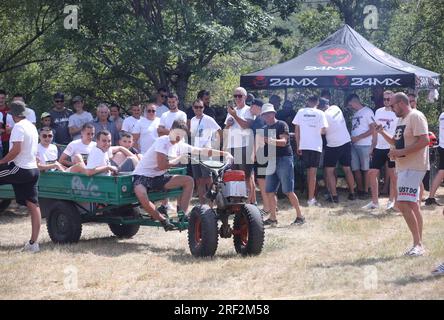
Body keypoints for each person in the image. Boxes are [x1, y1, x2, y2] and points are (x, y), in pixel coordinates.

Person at [133, 120, 232, 231]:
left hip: (158, 178)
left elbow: (202, 151)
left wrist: (224, 154)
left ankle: (182, 215)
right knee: (142, 196)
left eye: (181, 135)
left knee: (189, 180)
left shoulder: (180, 145)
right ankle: (162, 220)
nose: (179, 137)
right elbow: (161, 166)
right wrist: (178, 159)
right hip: (141, 177)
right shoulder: (162, 142)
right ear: (171, 130)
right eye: (177, 134)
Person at [375, 92, 429, 256]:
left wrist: (401, 152)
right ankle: (418, 244)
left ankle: (418, 244)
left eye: (392, 105)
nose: (390, 109)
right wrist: (382, 133)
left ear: (400, 103)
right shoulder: (401, 120)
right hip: (404, 167)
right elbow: (396, 142)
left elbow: (425, 140)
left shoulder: (416, 116)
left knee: (403, 204)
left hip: (414, 166)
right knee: (412, 205)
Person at [0, 101, 41, 252]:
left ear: (14, 115)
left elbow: (16, 149)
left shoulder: (18, 127)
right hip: (33, 170)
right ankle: (33, 244)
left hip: (20, 168)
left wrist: (2, 161)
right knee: (33, 205)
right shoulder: (31, 126)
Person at [258, 103, 304, 226]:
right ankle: (273, 218)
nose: (268, 116)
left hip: (284, 159)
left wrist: (267, 140)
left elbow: (283, 142)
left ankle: (300, 216)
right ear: (263, 116)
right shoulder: (264, 129)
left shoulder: (281, 124)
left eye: (270, 113)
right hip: (272, 160)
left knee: (288, 190)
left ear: (274, 113)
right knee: (269, 191)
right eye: (265, 114)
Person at [362, 90, 398, 210]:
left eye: (389, 99)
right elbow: (375, 130)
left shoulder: (397, 113)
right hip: (379, 147)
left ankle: (392, 201)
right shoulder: (378, 111)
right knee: (372, 173)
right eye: (384, 99)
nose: (387, 101)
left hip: (391, 147)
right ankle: (375, 202)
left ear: (393, 99)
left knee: (393, 175)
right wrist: (372, 146)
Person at [293, 95, 328, 207]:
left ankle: (310, 196)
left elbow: (296, 131)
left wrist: (298, 146)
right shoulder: (321, 113)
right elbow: (324, 131)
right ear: (317, 103)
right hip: (315, 146)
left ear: (307, 101)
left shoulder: (301, 111)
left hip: (304, 145)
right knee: (312, 173)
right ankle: (310, 199)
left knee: (308, 172)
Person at [322, 98, 356, 203]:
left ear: (321, 107)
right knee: (347, 168)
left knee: (329, 171)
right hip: (346, 141)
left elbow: (323, 131)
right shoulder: (336, 108)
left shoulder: (323, 115)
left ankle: (334, 196)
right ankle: (352, 193)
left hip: (333, 145)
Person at [224, 87, 255, 203]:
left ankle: (250, 203)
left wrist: (235, 115)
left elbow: (246, 125)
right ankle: (239, 201)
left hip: (244, 146)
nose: (237, 98)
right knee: (235, 176)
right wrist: (227, 124)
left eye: (240, 96)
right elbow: (226, 129)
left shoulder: (248, 110)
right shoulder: (231, 111)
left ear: (245, 97)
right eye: (235, 96)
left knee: (246, 176)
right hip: (232, 147)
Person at [189, 99, 222, 204]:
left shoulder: (208, 119)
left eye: (201, 107)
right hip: (195, 152)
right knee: (198, 180)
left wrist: (215, 146)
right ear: (193, 108)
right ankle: (202, 204)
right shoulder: (193, 120)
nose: (199, 109)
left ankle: (211, 202)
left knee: (208, 178)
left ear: (204, 108)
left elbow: (219, 131)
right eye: (196, 107)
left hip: (205, 153)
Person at [347, 93, 375, 199]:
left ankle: (366, 190)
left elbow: (373, 129)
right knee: (355, 168)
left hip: (365, 144)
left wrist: (358, 137)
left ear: (355, 102)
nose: (350, 107)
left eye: (350, 105)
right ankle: (360, 189)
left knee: (365, 168)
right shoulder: (355, 114)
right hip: (354, 145)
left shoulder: (367, 111)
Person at [250, 99, 272, 214]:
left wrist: (254, 154)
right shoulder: (263, 119)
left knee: (262, 181)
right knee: (267, 181)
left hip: (261, 153)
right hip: (267, 152)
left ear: (257, 107)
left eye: (251, 106)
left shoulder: (259, 120)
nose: (250, 109)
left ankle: (267, 208)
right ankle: (273, 206)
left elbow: (258, 138)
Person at [425, 108, 444, 206]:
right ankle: (431, 197)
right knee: (441, 172)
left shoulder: (442, 115)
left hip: (442, 146)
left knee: (441, 172)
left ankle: (431, 197)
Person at [0, 89, 12, 157]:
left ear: (5, 99)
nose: (1, 100)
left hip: (8, 140)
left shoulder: (10, 111)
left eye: (2, 98)